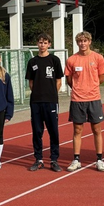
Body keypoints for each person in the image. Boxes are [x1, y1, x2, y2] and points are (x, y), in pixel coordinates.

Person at [64, 32, 104, 172]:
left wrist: (91, 87)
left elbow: (101, 78)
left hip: (94, 99)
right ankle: (76, 159)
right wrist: (79, 88)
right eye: (80, 41)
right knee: (77, 130)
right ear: (77, 43)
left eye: (85, 41)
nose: (82, 43)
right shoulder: (71, 59)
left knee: (96, 129)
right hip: (77, 99)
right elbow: (69, 80)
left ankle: (99, 159)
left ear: (90, 41)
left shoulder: (98, 58)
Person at [25, 34, 63, 172]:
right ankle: (38, 159)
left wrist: (52, 93)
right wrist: (38, 93)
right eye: (40, 42)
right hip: (36, 102)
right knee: (37, 131)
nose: (42, 45)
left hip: (51, 101)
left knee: (53, 131)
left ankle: (54, 159)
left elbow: (59, 80)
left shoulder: (54, 60)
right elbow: (31, 82)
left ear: (49, 44)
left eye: (45, 42)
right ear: (37, 44)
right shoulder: (32, 62)